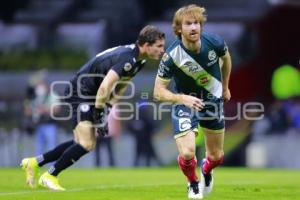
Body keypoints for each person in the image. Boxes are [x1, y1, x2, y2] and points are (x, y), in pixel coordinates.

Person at [21, 25, 165, 191]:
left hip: (89, 94)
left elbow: (123, 84)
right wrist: (100, 115)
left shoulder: (139, 60)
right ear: (146, 45)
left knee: (80, 142)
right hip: (81, 92)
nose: (162, 50)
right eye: (159, 46)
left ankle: (34, 162)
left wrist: (108, 107)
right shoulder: (128, 58)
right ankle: (50, 175)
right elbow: (105, 87)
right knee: (87, 143)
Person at [153, 5, 232, 199]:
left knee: (216, 157)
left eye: (196, 23)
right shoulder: (171, 56)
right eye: (188, 24)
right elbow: (158, 92)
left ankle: (206, 169)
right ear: (179, 28)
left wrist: (225, 87)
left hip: (212, 102)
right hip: (185, 103)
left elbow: (227, 60)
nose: (194, 27)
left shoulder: (214, 42)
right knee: (188, 153)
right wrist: (182, 98)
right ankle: (193, 182)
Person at [23, 77, 60, 156]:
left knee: (52, 147)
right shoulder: (34, 97)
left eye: (41, 86)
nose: (39, 88)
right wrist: (32, 109)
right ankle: (37, 165)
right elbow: (27, 112)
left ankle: (52, 166)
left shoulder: (52, 95)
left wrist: (45, 110)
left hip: (50, 125)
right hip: (38, 125)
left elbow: (57, 110)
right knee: (39, 148)